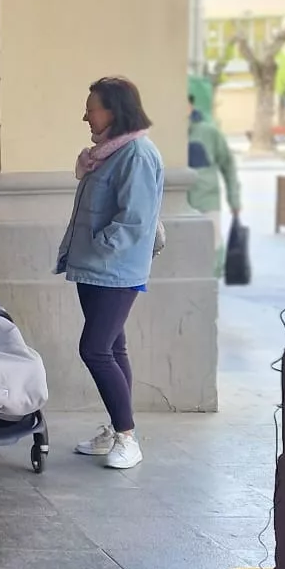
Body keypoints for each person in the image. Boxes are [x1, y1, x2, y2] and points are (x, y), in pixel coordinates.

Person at [57, 76, 165, 471]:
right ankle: (118, 430)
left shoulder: (136, 154)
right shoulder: (107, 153)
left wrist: (99, 245)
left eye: (92, 107)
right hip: (93, 266)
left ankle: (127, 437)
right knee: (113, 349)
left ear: (114, 111)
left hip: (114, 269)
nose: (85, 115)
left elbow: (134, 220)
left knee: (95, 349)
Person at [188, 92, 241, 276]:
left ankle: (212, 278)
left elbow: (228, 164)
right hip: (178, 201)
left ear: (191, 106)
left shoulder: (209, 132)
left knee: (213, 241)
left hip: (206, 199)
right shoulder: (168, 134)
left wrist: (234, 200)